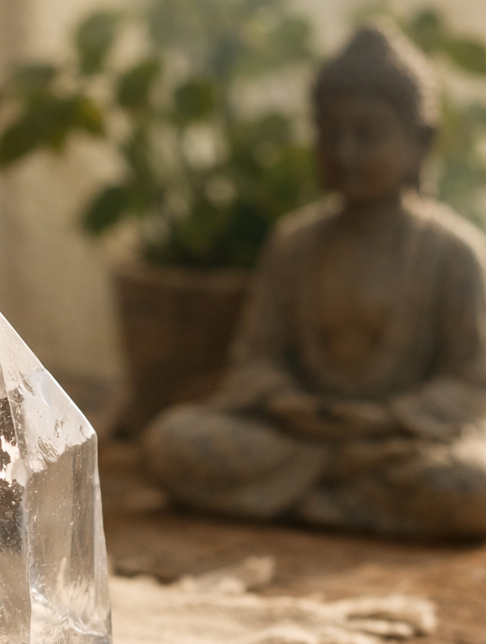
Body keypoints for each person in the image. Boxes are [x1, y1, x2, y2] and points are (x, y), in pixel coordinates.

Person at [143, 21, 486, 538]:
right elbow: (255, 359)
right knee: (171, 442)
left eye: (366, 134)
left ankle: (311, 497)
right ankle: (343, 495)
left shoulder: (453, 253)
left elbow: (471, 380)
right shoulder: (294, 243)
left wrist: (389, 417)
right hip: (298, 439)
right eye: (330, 133)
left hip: (397, 444)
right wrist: (287, 401)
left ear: (420, 142)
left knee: (471, 482)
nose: (344, 152)